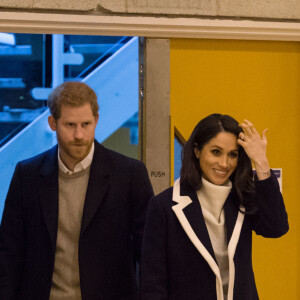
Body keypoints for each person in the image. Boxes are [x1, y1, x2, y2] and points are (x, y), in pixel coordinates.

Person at [0, 81, 154, 300]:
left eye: (86, 124)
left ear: (96, 121)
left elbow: (149, 251)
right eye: (70, 125)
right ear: (53, 123)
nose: (79, 135)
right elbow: (9, 251)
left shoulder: (129, 174)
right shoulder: (28, 174)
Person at [141, 114, 288, 300]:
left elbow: (276, 228)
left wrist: (261, 162)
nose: (224, 164)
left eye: (232, 155)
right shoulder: (164, 206)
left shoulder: (243, 198)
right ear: (197, 151)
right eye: (216, 152)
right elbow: (153, 283)